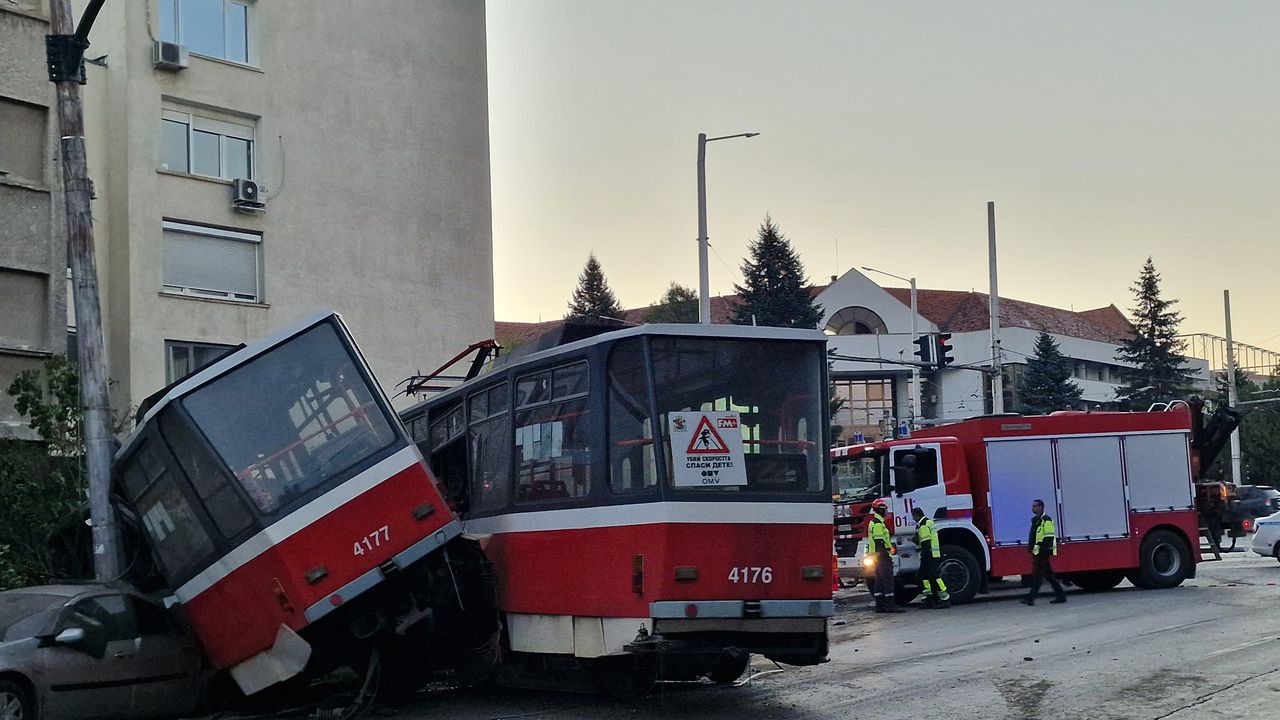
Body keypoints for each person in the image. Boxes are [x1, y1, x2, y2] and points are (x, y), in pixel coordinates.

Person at [1022, 498, 1066, 606]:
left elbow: (1048, 537)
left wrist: (1041, 550)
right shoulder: (1036, 520)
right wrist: (1031, 548)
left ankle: (1031, 598)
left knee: (1037, 576)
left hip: (1042, 552)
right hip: (1038, 552)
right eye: (1033, 506)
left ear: (1041, 507)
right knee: (1049, 576)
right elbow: (1034, 537)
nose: (1033, 508)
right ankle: (1061, 596)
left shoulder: (1046, 520)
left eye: (1035, 506)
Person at [866, 500, 904, 613]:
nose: (886, 512)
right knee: (888, 581)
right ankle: (890, 606)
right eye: (884, 510)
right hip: (882, 557)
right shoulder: (878, 524)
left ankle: (880, 606)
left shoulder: (874, 522)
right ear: (880, 509)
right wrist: (885, 554)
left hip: (876, 558)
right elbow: (879, 542)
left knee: (879, 581)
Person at [911, 507, 950, 609]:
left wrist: (924, 555)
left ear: (916, 515)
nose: (913, 518)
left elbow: (926, 542)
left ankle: (944, 598)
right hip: (933, 554)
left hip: (929, 555)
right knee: (924, 576)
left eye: (913, 516)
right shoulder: (928, 523)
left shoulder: (923, 525)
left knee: (932, 576)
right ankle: (929, 599)